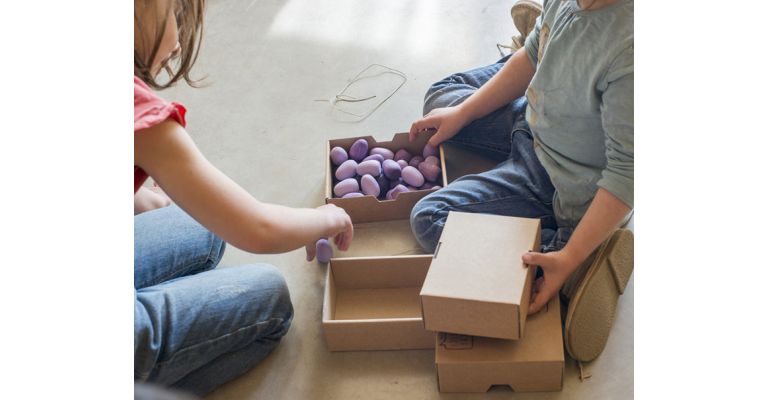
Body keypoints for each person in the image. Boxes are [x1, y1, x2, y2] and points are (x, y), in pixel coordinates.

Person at [133, 0, 354, 395]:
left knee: (199, 222)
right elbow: (259, 228)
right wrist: (329, 217)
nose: (180, 39)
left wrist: (139, 201)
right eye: (173, 13)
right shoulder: (139, 115)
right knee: (269, 300)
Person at [409, 0, 634, 363]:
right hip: (534, 120)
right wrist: (463, 113)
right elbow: (530, 59)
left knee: (430, 217)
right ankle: (553, 41)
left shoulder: (631, 48)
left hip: (559, 181)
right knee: (443, 96)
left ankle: (576, 255)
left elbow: (629, 172)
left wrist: (569, 255)